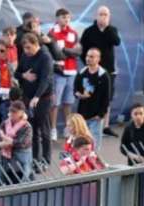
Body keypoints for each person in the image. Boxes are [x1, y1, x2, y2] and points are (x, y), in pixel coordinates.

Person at [80, 6, 122, 136]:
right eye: (101, 14)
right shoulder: (89, 31)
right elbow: (83, 50)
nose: (103, 17)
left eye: (106, 15)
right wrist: (88, 64)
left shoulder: (112, 30)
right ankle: (88, 126)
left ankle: (105, 126)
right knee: (90, 96)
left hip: (108, 70)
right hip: (92, 69)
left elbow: (117, 42)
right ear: (96, 16)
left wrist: (107, 27)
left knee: (106, 98)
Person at [18, 33, 55, 169]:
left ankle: (46, 160)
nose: (26, 51)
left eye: (28, 48)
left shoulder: (45, 57)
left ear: (36, 44)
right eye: (24, 48)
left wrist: (37, 96)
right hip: (28, 97)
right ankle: (35, 160)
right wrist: (24, 75)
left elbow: (46, 80)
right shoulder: (24, 56)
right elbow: (17, 72)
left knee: (44, 130)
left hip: (43, 98)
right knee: (32, 130)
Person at [49, 8, 82, 142]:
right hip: (58, 73)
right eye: (63, 17)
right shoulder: (52, 33)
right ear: (57, 18)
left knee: (68, 102)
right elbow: (55, 54)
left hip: (72, 72)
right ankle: (53, 129)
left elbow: (78, 52)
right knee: (55, 104)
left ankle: (68, 129)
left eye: (68, 17)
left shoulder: (74, 33)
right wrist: (69, 52)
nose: (66, 19)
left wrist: (64, 50)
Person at [73, 47, 112, 150]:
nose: (88, 58)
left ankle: (95, 164)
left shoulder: (103, 75)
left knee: (94, 144)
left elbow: (106, 97)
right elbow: (75, 89)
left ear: (98, 59)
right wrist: (79, 95)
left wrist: (101, 114)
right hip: (83, 115)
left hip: (96, 116)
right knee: (82, 143)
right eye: (87, 56)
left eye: (91, 56)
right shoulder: (82, 73)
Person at [0, 100, 33, 185]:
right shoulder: (4, 123)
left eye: (14, 112)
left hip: (21, 164)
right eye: (10, 111)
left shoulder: (27, 126)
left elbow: (22, 143)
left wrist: (5, 139)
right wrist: (0, 144)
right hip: (6, 164)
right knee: (6, 186)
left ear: (21, 112)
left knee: (22, 187)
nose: (11, 113)